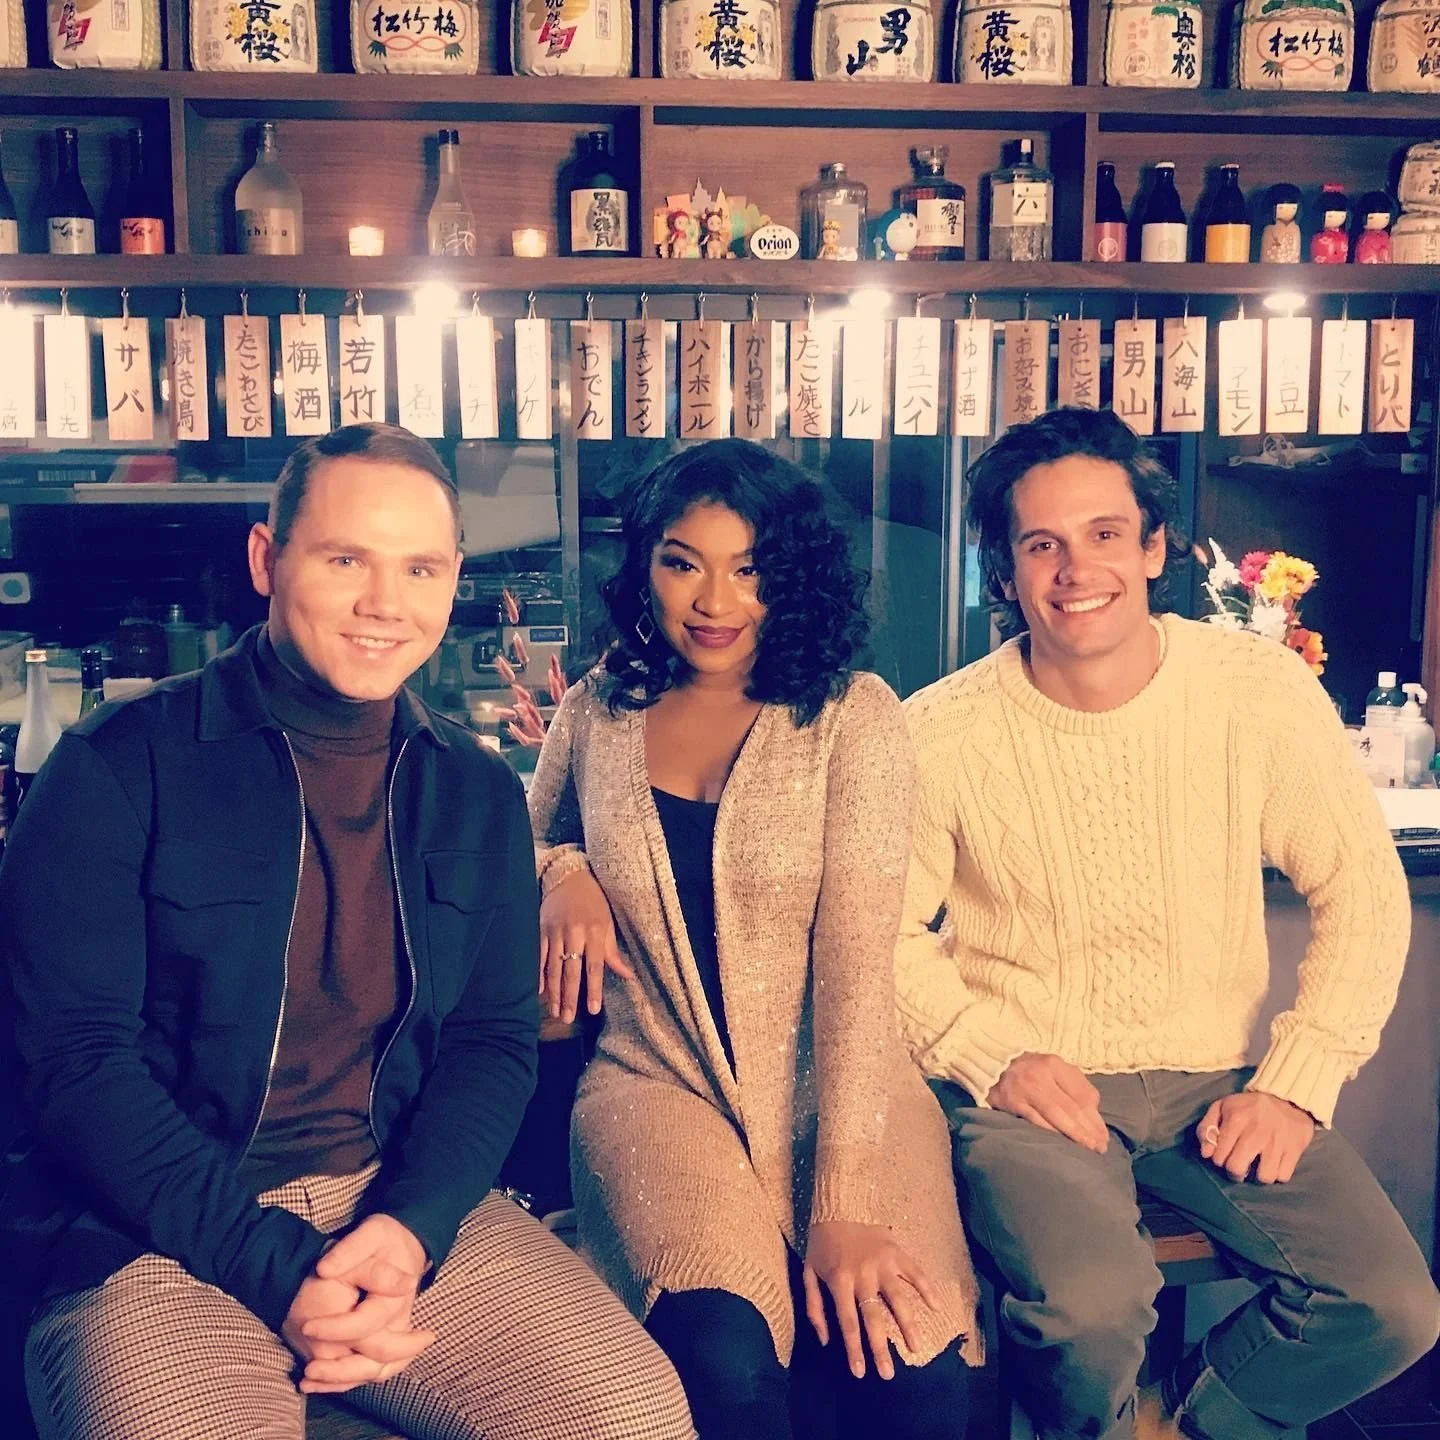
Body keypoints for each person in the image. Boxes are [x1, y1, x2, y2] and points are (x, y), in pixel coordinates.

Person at [0, 423, 693, 1440]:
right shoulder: (117, 768)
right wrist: (278, 1269)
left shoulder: (470, 791)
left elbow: (489, 1046)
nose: (385, 603)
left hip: (393, 1204)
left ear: (453, 578)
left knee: (635, 1416)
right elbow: (74, 1067)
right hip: (148, 1234)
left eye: (418, 567)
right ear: (265, 561)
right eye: (344, 560)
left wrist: (410, 1231)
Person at [895, 407, 1440, 1440]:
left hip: (1216, 1078)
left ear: (1154, 548)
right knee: (1093, 1313)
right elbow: (876, 937)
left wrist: (1294, 1085)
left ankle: (1185, 1427)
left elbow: (1362, 893)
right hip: (1033, 1084)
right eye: (1040, 544)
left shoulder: (1254, 689)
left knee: (1391, 1307)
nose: (1075, 569)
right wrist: (989, 1054)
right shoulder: (942, 731)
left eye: (1105, 534)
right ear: (1003, 572)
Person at [529, 438, 977, 1440]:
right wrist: (562, 873)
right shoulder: (597, 710)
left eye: (750, 568)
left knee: (916, 1380)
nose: (714, 600)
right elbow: (529, 836)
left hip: (841, 1093)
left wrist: (846, 1204)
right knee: (723, 1363)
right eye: (683, 561)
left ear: (792, 577)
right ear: (645, 567)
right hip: (656, 1087)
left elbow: (861, 972)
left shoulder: (851, 717)